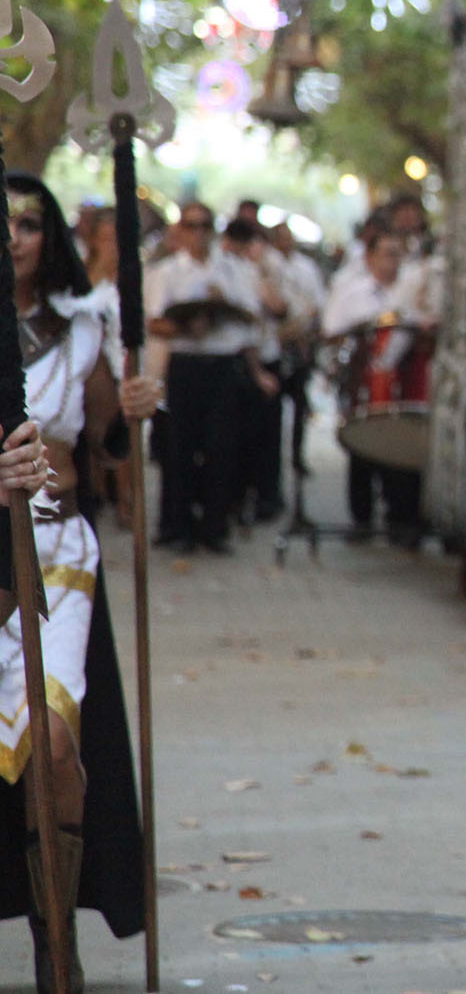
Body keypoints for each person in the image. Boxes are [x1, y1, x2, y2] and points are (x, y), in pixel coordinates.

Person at [0, 174, 159, 991]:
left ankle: (54, 943)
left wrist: (131, 411)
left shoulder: (82, 329)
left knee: (55, 748)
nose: (15, 236)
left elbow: (106, 447)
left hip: (58, 559)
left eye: (29, 222)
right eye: (4, 222)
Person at [143, 202, 268, 554]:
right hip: (185, 364)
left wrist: (220, 304)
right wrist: (186, 324)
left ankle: (215, 524)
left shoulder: (234, 270)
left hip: (223, 365)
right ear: (181, 231)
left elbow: (250, 318)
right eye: (191, 226)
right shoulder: (167, 272)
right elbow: (155, 322)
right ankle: (177, 525)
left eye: (205, 226)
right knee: (178, 447)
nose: (198, 233)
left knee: (222, 447)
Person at [321, 229, 432, 539]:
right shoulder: (351, 292)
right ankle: (362, 518)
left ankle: (403, 517)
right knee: (362, 447)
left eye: (398, 253)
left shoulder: (412, 292)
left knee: (403, 444)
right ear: (370, 257)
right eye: (386, 253)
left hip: (403, 384)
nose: (393, 261)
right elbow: (331, 331)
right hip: (365, 384)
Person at [221, 218, 288, 522]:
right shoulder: (230, 273)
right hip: (242, 362)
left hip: (267, 356)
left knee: (267, 437)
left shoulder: (264, 270)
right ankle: (237, 498)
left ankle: (266, 496)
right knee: (240, 438)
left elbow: (279, 307)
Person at [266, 224, 325, 481]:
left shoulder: (306, 267)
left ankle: (297, 455)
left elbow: (316, 302)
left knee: (300, 403)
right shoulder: (269, 264)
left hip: (299, 343)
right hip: (276, 343)